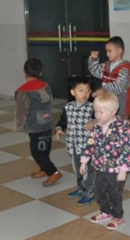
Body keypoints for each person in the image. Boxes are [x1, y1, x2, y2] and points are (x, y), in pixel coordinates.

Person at [81, 92, 130, 231]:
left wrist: (123, 169)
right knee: (99, 190)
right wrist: (84, 161)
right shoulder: (97, 127)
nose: (97, 115)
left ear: (113, 112)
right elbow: (90, 143)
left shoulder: (122, 127)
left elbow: (127, 149)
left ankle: (118, 216)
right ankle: (105, 211)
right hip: (100, 167)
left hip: (116, 169)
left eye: (101, 112)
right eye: (95, 111)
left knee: (114, 193)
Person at [15, 58, 62, 186]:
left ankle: (53, 172)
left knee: (36, 151)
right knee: (45, 147)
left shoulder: (22, 91)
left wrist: (19, 124)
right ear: (40, 73)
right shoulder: (45, 86)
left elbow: (21, 110)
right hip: (47, 122)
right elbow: (50, 100)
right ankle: (44, 169)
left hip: (34, 126)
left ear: (24, 71)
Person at [55, 76, 96, 205]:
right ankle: (81, 188)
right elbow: (63, 120)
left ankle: (90, 192)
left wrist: (94, 122)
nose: (85, 93)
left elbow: (101, 119)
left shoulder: (92, 107)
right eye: (81, 90)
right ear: (73, 92)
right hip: (72, 144)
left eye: (87, 90)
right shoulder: (68, 107)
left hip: (86, 146)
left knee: (86, 170)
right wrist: (59, 129)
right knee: (77, 169)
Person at [88, 36, 130, 119]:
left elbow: (120, 85)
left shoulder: (124, 69)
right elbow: (94, 71)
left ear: (119, 51)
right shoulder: (106, 65)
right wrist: (94, 59)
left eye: (110, 51)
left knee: (118, 127)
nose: (107, 54)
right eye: (106, 51)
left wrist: (103, 90)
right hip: (107, 106)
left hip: (120, 109)